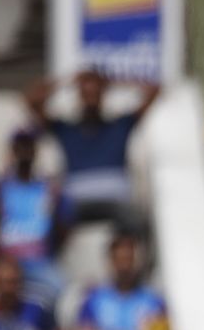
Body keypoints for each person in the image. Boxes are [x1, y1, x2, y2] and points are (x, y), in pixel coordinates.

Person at [25, 68, 160, 221]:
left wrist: (111, 82)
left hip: (115, 199)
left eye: (96, 93)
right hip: (76, 200)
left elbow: (155, 89)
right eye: (86, 93)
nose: (91, 98)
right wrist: (68, 82)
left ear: (103, 95)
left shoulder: (121, 125)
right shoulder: (65, 129)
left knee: (134, 218)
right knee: (49, 218)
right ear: (79, 96)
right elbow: (32, 102)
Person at [0, 128, 70, 304]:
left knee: (62, 294)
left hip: (38, 263)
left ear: (35, 151)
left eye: (28, 146)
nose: (24, 152)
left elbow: (62, 234)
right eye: (20, 147)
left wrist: (54, 203)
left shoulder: (50, 189)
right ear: (12, 151)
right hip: (0, 261)